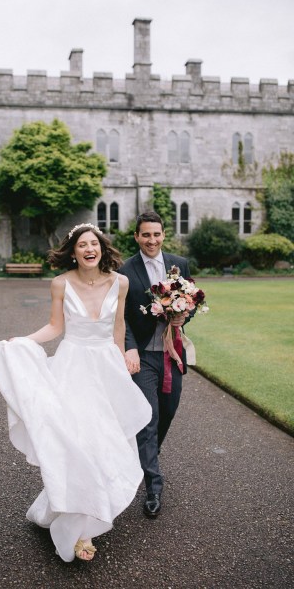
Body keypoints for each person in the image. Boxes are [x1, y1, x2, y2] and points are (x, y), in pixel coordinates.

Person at [0, 223, 151, 562]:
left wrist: (121, 365)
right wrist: (21, 342)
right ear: (73, 251)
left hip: (106, 368)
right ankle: (80, 534)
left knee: (105, 445)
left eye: (94, 243)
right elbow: (55, 327)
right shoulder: (60, 283)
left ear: (102, 248)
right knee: (79, 444)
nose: (89, 249)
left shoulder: (120, 283)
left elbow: (118, 328)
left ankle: (76, 512)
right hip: (73, 368)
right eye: (82, 245)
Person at [119, 212, 191, 518]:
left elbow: (190, 302)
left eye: (156, 234)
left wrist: (183, 315)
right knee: (148, 417)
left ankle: (149, 455)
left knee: (168, 410)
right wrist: (130, 348)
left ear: (163, 235)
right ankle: (153, 487)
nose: (152, 240)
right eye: (145, 235)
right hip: (143, 358)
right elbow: (119, 317)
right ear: (136, 236)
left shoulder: (179, 265)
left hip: (172, 351)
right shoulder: (124, 271)